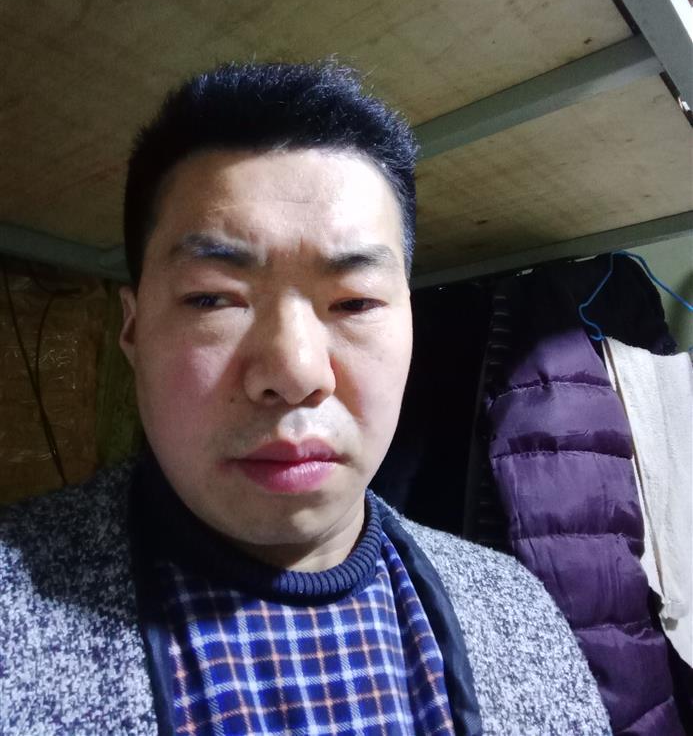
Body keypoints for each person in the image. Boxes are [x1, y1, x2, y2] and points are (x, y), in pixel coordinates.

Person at [0, 62, 611, 735]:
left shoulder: (518, 610)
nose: (294, 373)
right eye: (212, 298)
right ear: (133, 329)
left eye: (354, 302)